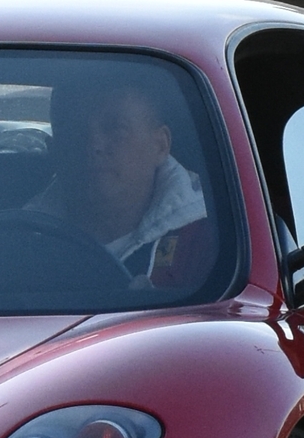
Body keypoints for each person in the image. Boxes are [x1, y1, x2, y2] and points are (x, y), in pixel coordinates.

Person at [25, 73, 214, 293]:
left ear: (160, 146)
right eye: (75, 130)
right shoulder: (21, 243)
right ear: (53, 149)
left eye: (116, 129)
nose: (93, 144)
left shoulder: (214, 244)